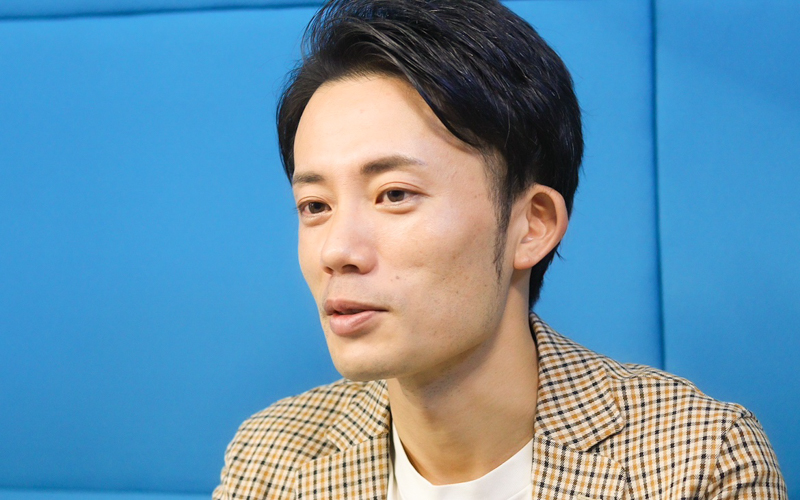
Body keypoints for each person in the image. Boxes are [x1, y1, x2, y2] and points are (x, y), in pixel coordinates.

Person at [214, 0, 786, 498]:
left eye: (395, 194)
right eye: (315, 206)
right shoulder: (271, 460)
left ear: (532, 224)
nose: (337, 250)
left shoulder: (697, 460)